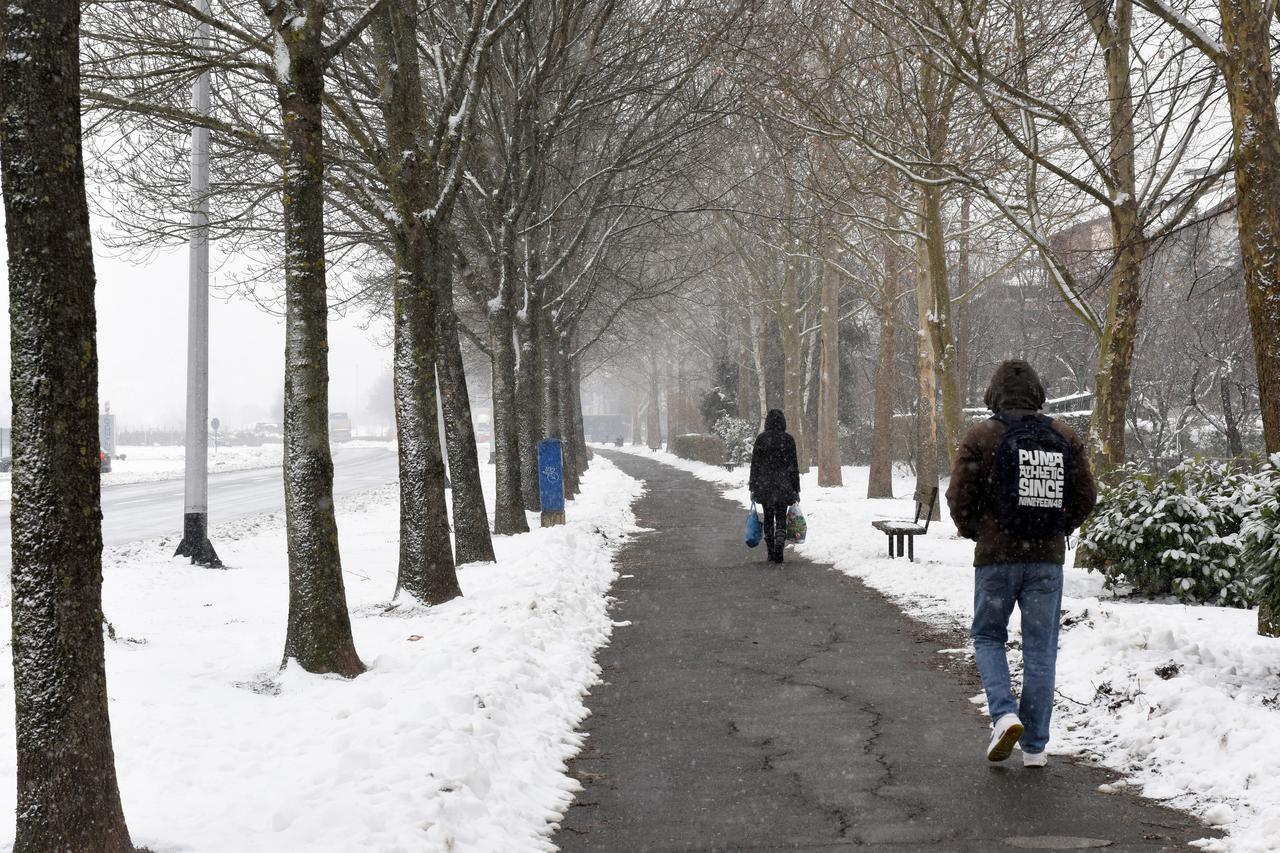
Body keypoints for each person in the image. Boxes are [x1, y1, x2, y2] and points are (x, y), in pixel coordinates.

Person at [946, 360, 1097, 768]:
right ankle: (1035, 747)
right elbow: (1086, 496)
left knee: (989, 637)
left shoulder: (982, 435)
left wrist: (977, 530)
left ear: (994, 395)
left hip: (996, 558)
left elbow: (959, 495)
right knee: (1041, 650)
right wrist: (1057, 527)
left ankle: (1004, 714)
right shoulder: (1063, 435)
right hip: (1046, 561)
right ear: (1038, 395)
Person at [749, 409, 800, 565]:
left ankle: (771, 551)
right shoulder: (788, 440)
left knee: (768, 517)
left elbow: (755, 465)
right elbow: (794, 466)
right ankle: (780, 542)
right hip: (784, 485)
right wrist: (796, 488)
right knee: (781, 516)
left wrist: (753, 486)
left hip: (765, 485)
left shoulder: (761, 439)